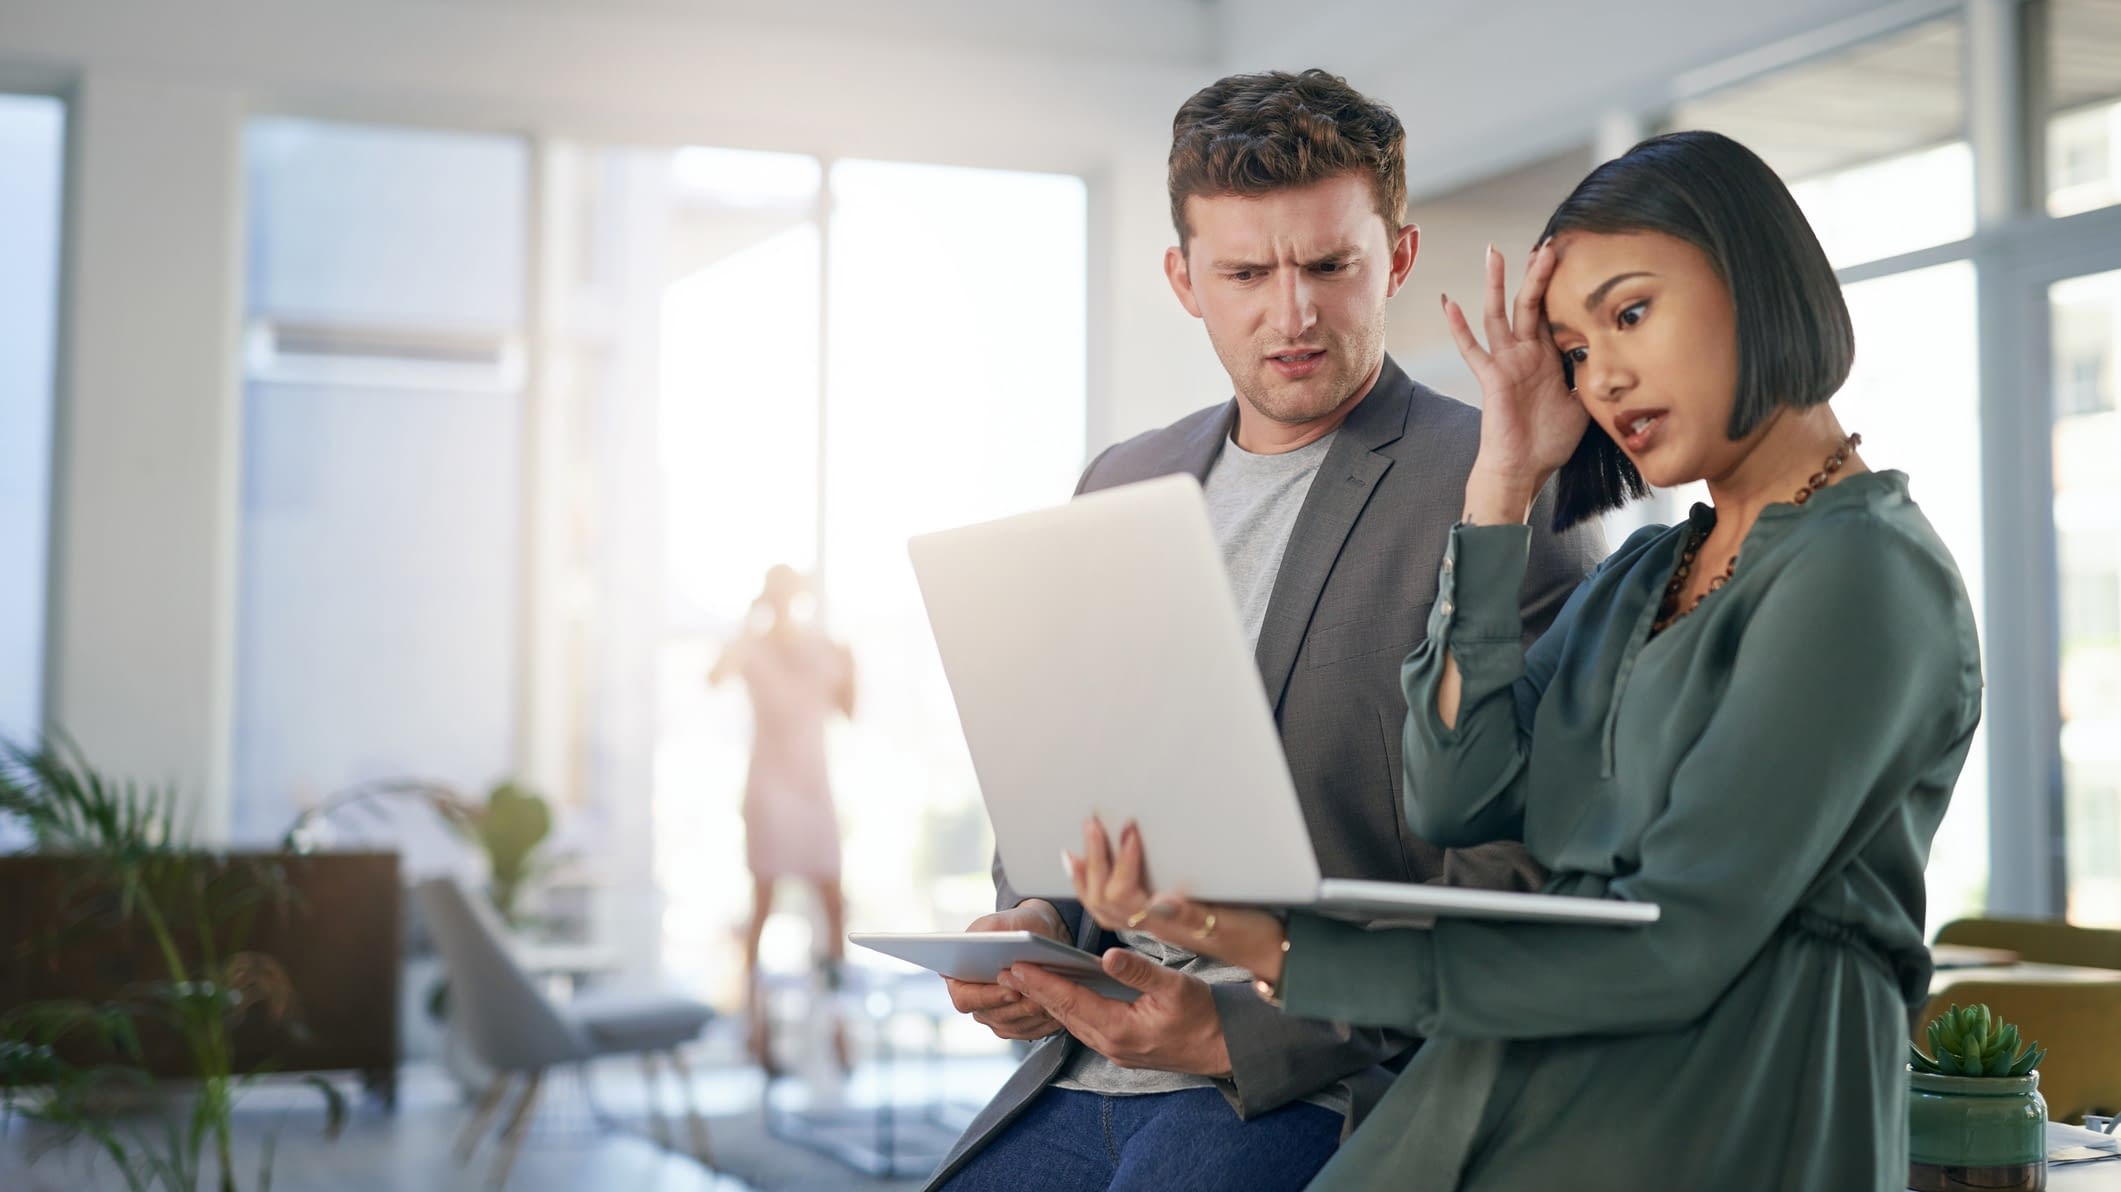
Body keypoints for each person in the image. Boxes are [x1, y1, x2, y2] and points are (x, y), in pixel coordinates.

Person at [1066, 129, 1984, 1190]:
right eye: (1577, 351)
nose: (1607, 377)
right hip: (1513, 1086)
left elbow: (1675, 943)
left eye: (1631, 313)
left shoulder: (1862, 573)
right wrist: (1501, 485)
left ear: (1758, 283)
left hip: (1712, 1112)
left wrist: (1279, 949)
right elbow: (1456, 795)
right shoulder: (1646, 574)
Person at [926, 70, 1606, 1192]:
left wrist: (1237, 1032)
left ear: (1394, 256)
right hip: (1077, 1062)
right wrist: (1038, 917)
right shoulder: (1124, 477)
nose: (1291, 314)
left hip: (1303, 1088)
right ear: (1184, 279)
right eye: (1244, 272)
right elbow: (1070, 772)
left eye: (1328, 266)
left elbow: (1519, 885)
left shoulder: (1499, 480)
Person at [708, 563, 857, 1075]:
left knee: (834, 907)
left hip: (813, 787)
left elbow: (850, 709)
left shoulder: (824, 647)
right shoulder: (752, 646)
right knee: (762, 908)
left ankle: (839, 1022)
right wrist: (748, 626)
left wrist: (851, 663)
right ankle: (754, 1025)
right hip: (770, 788)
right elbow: (714, 676)